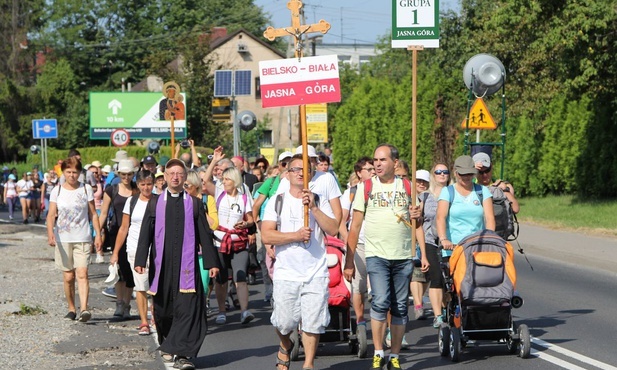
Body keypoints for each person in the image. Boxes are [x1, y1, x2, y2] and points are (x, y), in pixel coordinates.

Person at [343, 144, 427, 370]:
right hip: (376, 255)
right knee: (380, 301)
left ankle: (395, 355)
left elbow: (417, 222)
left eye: (382, 160)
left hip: (403, 255)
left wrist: (418, 217)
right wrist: (349, 261)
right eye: (375, 160)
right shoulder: (366, 187)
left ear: (395, 163)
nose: (377, 164)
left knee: (400, 306)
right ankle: (379, 351)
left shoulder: (408, 186)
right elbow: (355, 225)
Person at [135, 158, 220, 370]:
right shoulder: (155, 203)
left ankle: (184, 355)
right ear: (164, 177)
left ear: (184, 178)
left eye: (179, 174)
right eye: (171, 173)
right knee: (163, 311)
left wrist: (212, 262)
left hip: (187, 267)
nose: (175, 177)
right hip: (162, 267)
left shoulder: (194, 204)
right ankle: (167, 344)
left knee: (188, 309)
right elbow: (145, 232)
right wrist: (139, 260)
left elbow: (204, 234)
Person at [261, 154, 339, 370]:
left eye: (304, 169)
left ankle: (308, 364)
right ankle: (286, 343)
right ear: (287, 173)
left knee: (313, 323)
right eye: (295, 169)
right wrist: (294, 236)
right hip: (287, 271)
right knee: (283, 322)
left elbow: (333, 229)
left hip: (315, 271)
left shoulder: (318, 199)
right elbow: (267, 236)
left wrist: (313, 208)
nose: (300, 173)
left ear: (311, 174)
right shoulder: (277, 200)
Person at [46, 157, 102, 322]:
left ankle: (84, 308)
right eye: (68, 172)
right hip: (63, 238)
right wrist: (50, 233)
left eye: (75, 172)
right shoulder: (57, 191)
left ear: (79, 173)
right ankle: (72, 308)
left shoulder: (85, 189)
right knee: (68, 276)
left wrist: (97, 234)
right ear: (63, 172)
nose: (72, 175)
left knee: (82, 273)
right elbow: (51, 214)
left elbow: (93, 213)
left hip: (83, 237)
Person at [205, 161, 256, 326]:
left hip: (238, 241)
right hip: (220, 241)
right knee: (220, 279)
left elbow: (250, 219)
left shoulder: (243, 197)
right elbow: (205, 181)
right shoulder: (219, 193)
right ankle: (221, 311)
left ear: (234, 181)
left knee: (240, 276)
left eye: (227, 179)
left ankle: (244, 311)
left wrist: (245, 225)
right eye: (223, 179)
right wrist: (214, 161)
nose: (224, 182)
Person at [110, 170, 156, 335]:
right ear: (138, 185)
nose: (146, 188)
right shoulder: (132, 201)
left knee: (155, 286)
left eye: (149, 184)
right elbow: (123, 228)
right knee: (141, 286)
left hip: (155, 249)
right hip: (135, 249)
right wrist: (115, 252)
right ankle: (144, 321)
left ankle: (156, 317)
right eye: (143, 184)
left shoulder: (159, 201)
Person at [338, 156, 375, 333]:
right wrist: (348, 240)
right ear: (359, 173)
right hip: (359, 246)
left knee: (382, 289)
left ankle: (390, 329)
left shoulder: (381, 190)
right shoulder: (351, 192)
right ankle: (361, 321)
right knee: (358, 287)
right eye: (369, 169)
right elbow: (341, 220)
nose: (373, 171)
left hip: (379, 246)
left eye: (374, 168)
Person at [99, 159, 139, 318]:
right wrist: (97, 233)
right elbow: (103, 213)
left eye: (129, 174)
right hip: (116, 232)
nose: (126, 177)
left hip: (134, 233)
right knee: (119, 268)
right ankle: (119, 303)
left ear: (133, 174)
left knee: (131, 270)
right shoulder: (111, 190)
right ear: (119, 174)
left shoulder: (137, 190)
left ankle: (127, 304)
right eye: (123, 174)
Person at [435, 155, 495, 258]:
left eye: (470, 174)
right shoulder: (448, 192)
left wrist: (488, 240)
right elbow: (441, 217)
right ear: (456, 173)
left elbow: (490, 218)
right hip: (453, 249)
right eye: (463, 174)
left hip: (477, 248)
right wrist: (444, 239)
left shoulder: (482, 191)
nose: (467, 177)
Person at [418, 163, 452, 328]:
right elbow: (417, 220)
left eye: (445, 172)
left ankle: (448, 309)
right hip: (431, 241)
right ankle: (438, 315)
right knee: (437, 277)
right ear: (433, 174)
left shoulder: (454, 193)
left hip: (450, 242)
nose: (442, 174)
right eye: (438, 171)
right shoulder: (425, 196)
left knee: (451, 280)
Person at [473, 152, 520, 226]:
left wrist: (504, 190)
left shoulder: (503, 185)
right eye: (480, 172)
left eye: (487, 170)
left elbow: (515, 209)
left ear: (491, 167)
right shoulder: (470, 188)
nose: (485, 175)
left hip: (499, 234)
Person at [409, 169, 431, 321]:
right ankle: (418, 305)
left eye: (424, 181)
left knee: (427, 275)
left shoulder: (430, 197)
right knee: (417, 274)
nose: (421, 184)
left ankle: (420, 298)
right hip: (413, 240)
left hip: (429, 239)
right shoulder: (410, 198)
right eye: (419, 181)